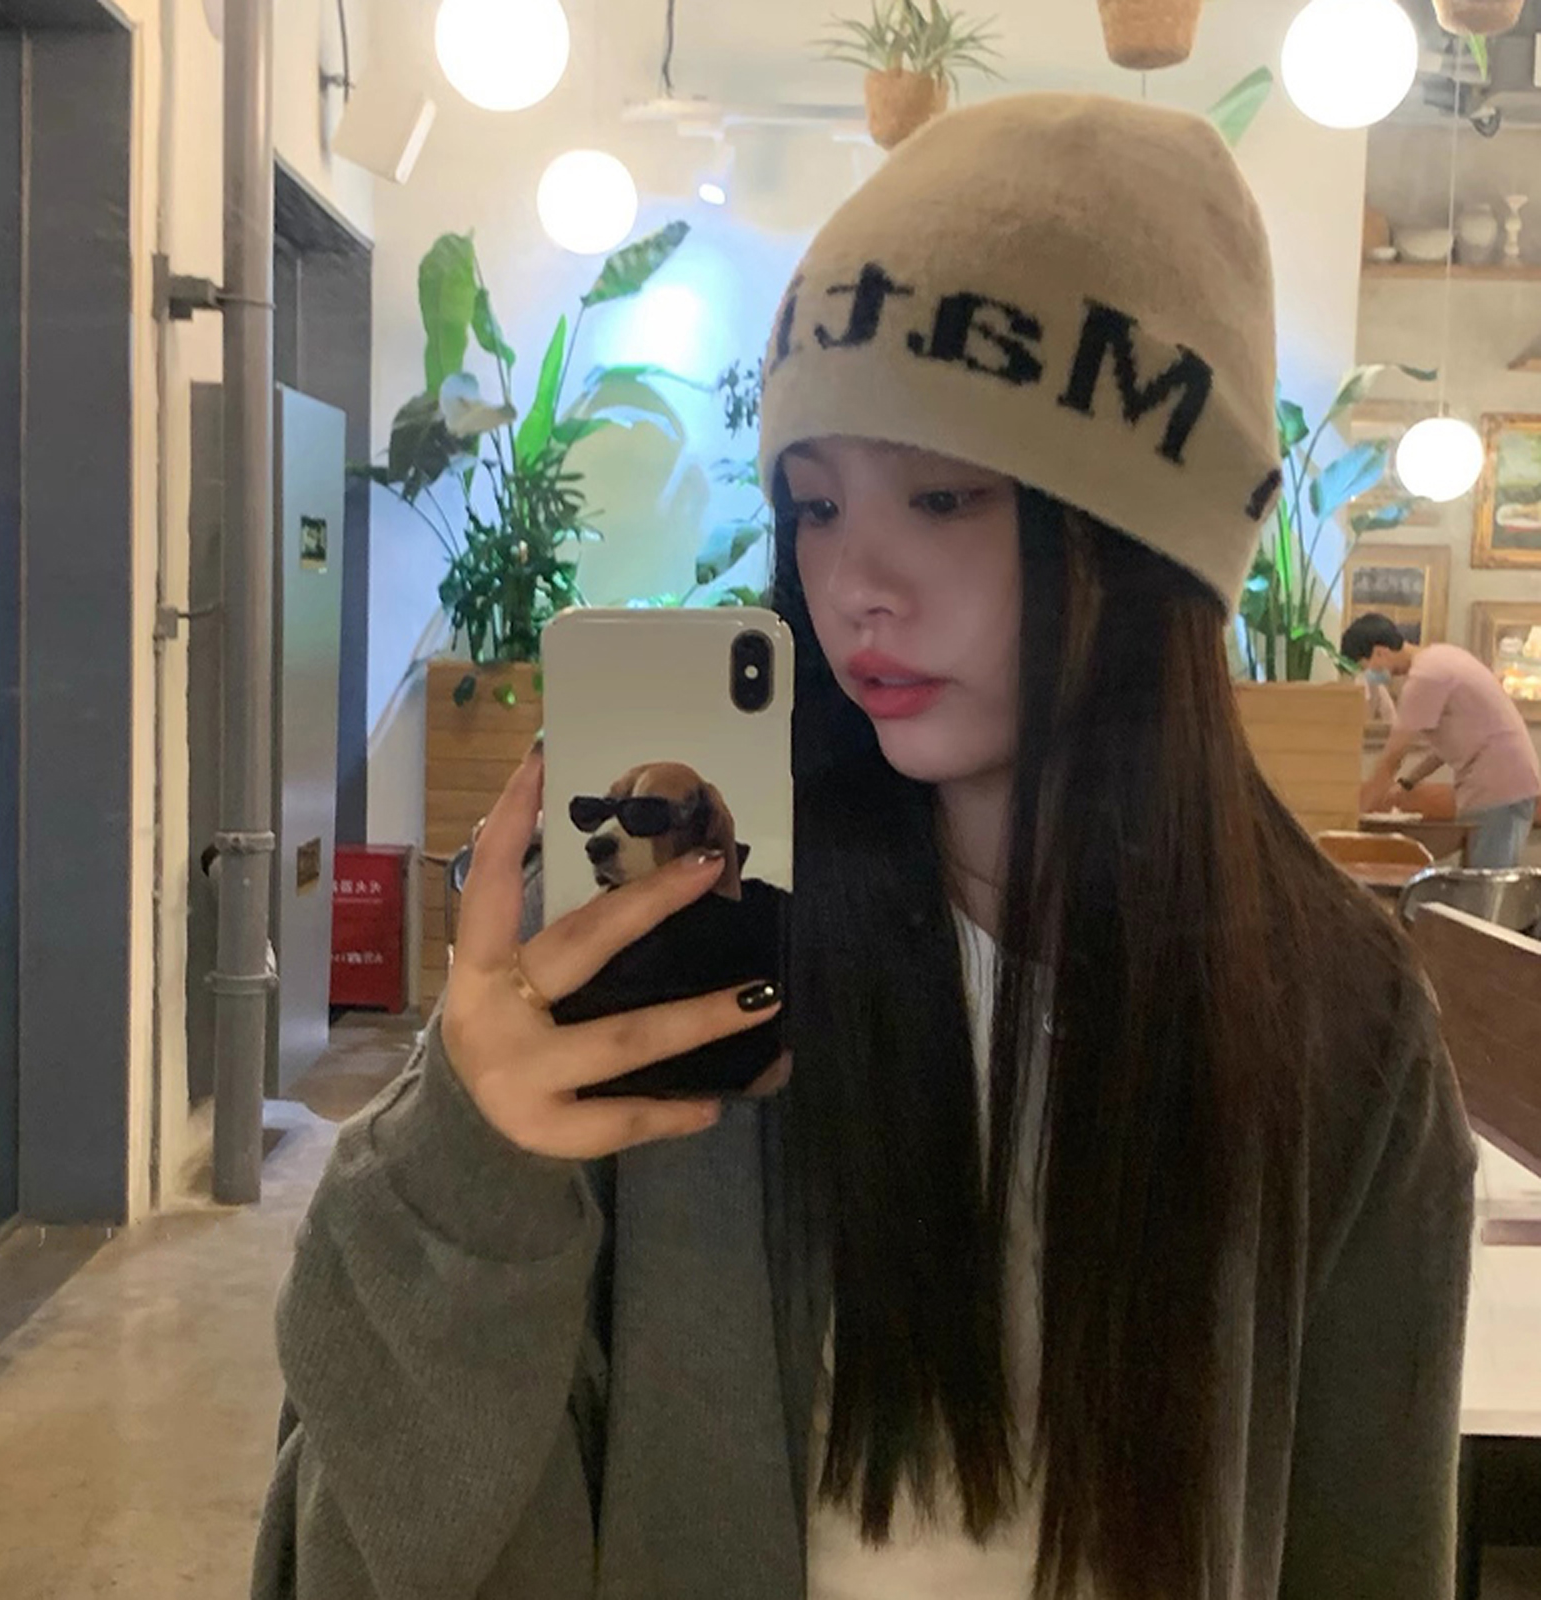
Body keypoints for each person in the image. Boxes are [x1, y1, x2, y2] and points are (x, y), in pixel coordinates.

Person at [253, 96, 1477, 1600]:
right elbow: (358, 1542)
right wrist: (465, 1162)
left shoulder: (1336, 1018)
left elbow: (1371, 1545)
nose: (852, 587)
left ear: (1146, 540)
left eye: (943, 495)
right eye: (816, 504)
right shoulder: (686, 941)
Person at [1346, 612, 1541, 868]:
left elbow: (1391, 758)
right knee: (1478, 881)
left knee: (1485, 885)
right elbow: (1449, 746)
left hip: (1500, 788)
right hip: (1505, 784)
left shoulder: (1425, 678)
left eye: (1365, 666)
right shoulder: (1441, 657)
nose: (1369, 674)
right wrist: (1408, 783)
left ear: (1380, 652)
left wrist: (1352, 822)